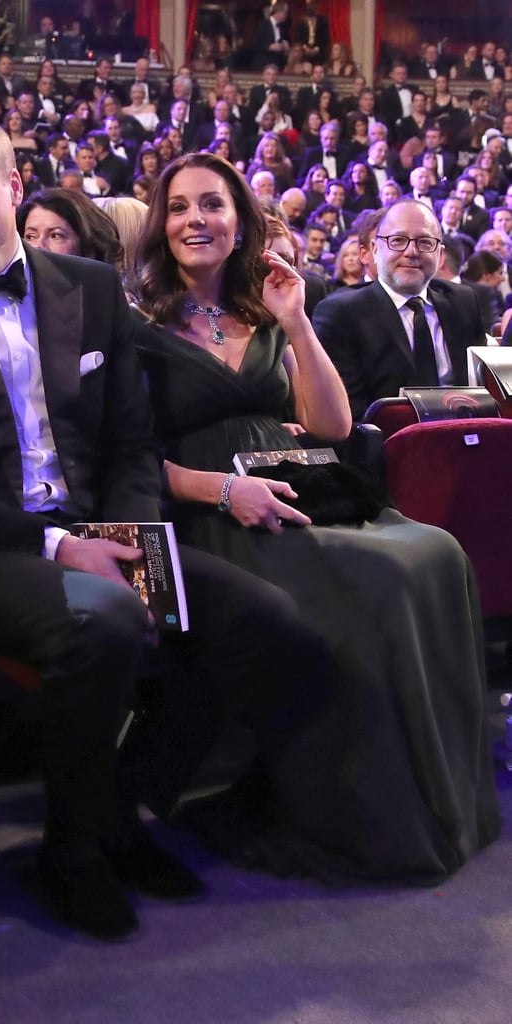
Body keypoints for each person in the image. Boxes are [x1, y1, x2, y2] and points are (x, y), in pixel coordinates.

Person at [0, 117, 342, 943]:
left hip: (98, 529)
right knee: (107, 618)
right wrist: (61, 546)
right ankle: (70, 851)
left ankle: (121, 808)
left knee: (268, 625)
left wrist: (130, 541)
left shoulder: (86, 287)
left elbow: (129, 444)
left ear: (13, 187)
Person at [129, 152, 500, 885]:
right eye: (177, 207)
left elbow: (329, 425)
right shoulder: (134, 320)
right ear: (158, 224)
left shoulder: (263, 310)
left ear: (240, 222)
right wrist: (220, 491)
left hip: (296, 489)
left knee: (436, 553)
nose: (194, 220)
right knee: (385, 576)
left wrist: (295, 321)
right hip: (209, 508)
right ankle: (361, 813)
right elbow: (126, 455)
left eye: (211, 204)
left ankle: (440, 802)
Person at [312, 198, 488, 419]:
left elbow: (483, 394)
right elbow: (349, 415)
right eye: (398, 240)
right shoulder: (341, 313)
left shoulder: (463, 302)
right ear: (375, 249)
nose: (411, 251)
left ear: (439, 254)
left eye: (425, 242)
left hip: (463, 440)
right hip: (384, 446)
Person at [17, 186, 122, 263]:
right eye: (30, 236)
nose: (38, 246)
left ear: (85, 245)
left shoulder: (109, 292)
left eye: (55, 235)